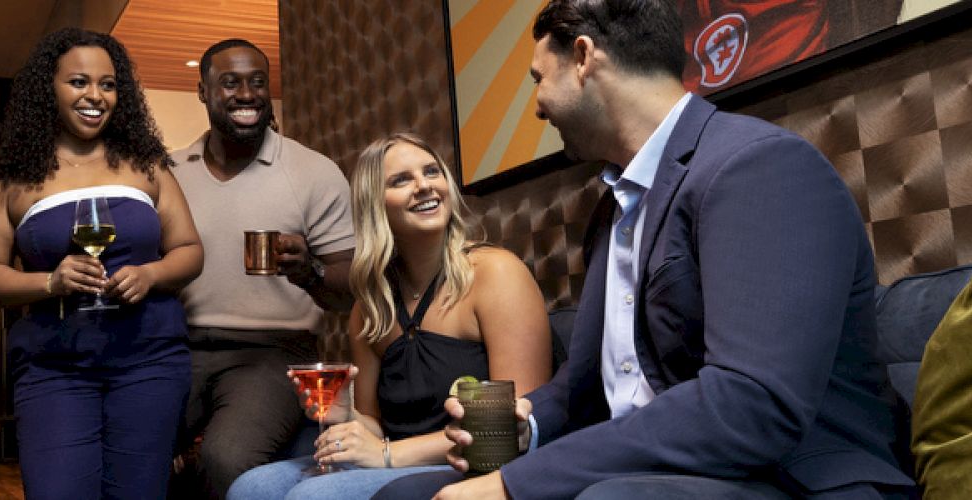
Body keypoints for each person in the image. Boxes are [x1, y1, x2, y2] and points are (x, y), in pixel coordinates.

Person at [376, 1, 911, 498]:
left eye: (539, 79)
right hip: (657, 475)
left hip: (793, 475)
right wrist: (527, 423)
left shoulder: (759, 166)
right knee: (404, 494)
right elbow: (582, 389)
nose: (537, 106)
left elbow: (752, 405)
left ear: (583, 57)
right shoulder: (613, 209)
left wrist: (517, 484)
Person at [227, 135, 551, 499]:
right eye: (401, 180)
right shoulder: (370, 306)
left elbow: (519, 424)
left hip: (470, 461)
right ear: (374, 206)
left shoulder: (496, 273)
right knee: (251, 487)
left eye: (432, 172)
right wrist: (344, 416)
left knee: (314, 497)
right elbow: (374, 423)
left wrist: (386, 454)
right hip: (393, 458)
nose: (424, 186)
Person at [0, 27, 203, 499]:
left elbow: (189, 251)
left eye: (108, 84)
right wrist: (50, 281)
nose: (95, 95)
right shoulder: (12, 179)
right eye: (78, 82)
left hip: (149, 363)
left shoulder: (148, 165)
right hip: (55, 369)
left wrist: (151, 274)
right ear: (47, 89)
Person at [169, 39, 358, 499]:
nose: (247, 94)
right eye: (230, 82)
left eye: (258, 82)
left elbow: (350, 292)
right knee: (133, 445)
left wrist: (308, 272)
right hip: (176, 346)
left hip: (273, 352)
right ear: (203, 91)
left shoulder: (313, 171)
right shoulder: (167, 171)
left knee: (227, 456)